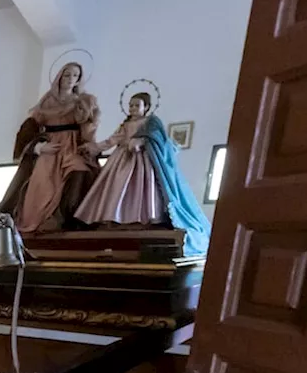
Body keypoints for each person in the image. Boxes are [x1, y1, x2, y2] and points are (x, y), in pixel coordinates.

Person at [75, 91, 212, 255]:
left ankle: (144, 219)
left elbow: (158, 138)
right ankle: (115, 219)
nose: (133, 108)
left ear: (146, 107)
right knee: (116, 188)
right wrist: (94, 147)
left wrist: (142, 140)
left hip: (143, 161)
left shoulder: (151, 122)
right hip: (122, 159)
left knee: (144, 189)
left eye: (137, 105)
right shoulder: (125, 124)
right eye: (131, 105)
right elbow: (112, 140)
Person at [0, 62, 101, 237]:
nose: (71, 79)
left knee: (79, 172)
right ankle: (39, 221)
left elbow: (88, 127)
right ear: (59, 76)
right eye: (67, 74)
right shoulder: (47, 101)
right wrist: (39, 146)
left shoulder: (83, 101)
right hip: (50, 148)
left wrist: (89, 121)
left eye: (75, 76)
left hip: (71, 147)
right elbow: (30, 127)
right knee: (42, 185)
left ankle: (64, 219)